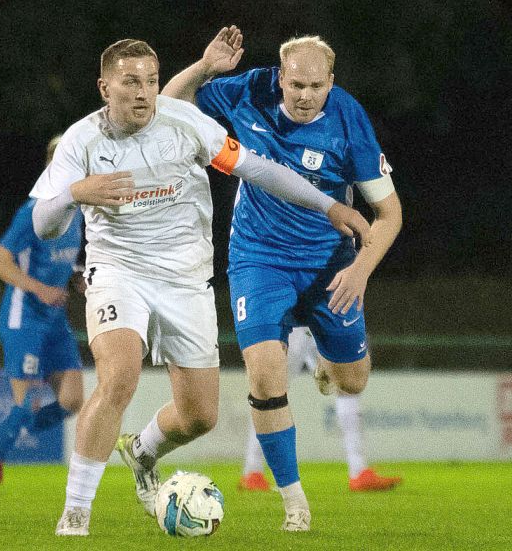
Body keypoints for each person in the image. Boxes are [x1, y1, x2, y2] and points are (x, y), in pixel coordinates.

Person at [28, 38, 369, 537]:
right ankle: (76, 512)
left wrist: (329, 206)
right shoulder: (82, 142)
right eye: (130, 82)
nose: (144, 93)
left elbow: (257, 168)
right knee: (120, 375)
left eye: (150, 80)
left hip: (187, 279)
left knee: (200, 416)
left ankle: (142, 451)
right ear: (105, 87)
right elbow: (42, 223)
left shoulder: (185, 124)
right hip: (119, 271)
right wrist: (76, 194)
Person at [162, 27, 403, 531]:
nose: (304, 96)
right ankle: (294, 501)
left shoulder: (348, 118)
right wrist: (206, 66)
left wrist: (360, 270)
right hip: (259, 260)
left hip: (329, 265)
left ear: (330, 83)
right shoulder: (249, 89)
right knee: (266, 377)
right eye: (295, 85)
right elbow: (169, 103)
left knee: (351, 382)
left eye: (316, 87)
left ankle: (326, 366)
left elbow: (389, 213)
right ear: (281, 75)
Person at [0, 135, 85, 495]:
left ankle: (3, 432)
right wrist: (38, 288)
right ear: (54, 166)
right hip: (25, 319)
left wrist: (79, 277)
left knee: (72, 401)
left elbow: (66, 261)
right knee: (24, 403)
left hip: (54, 322)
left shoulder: (77, 211)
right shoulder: (32, 211)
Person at [238, 326, 402, 492]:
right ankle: (253, 472)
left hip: (322, 313)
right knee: (269, 389)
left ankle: (359, 471)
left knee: (346, 381)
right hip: (293, 317)